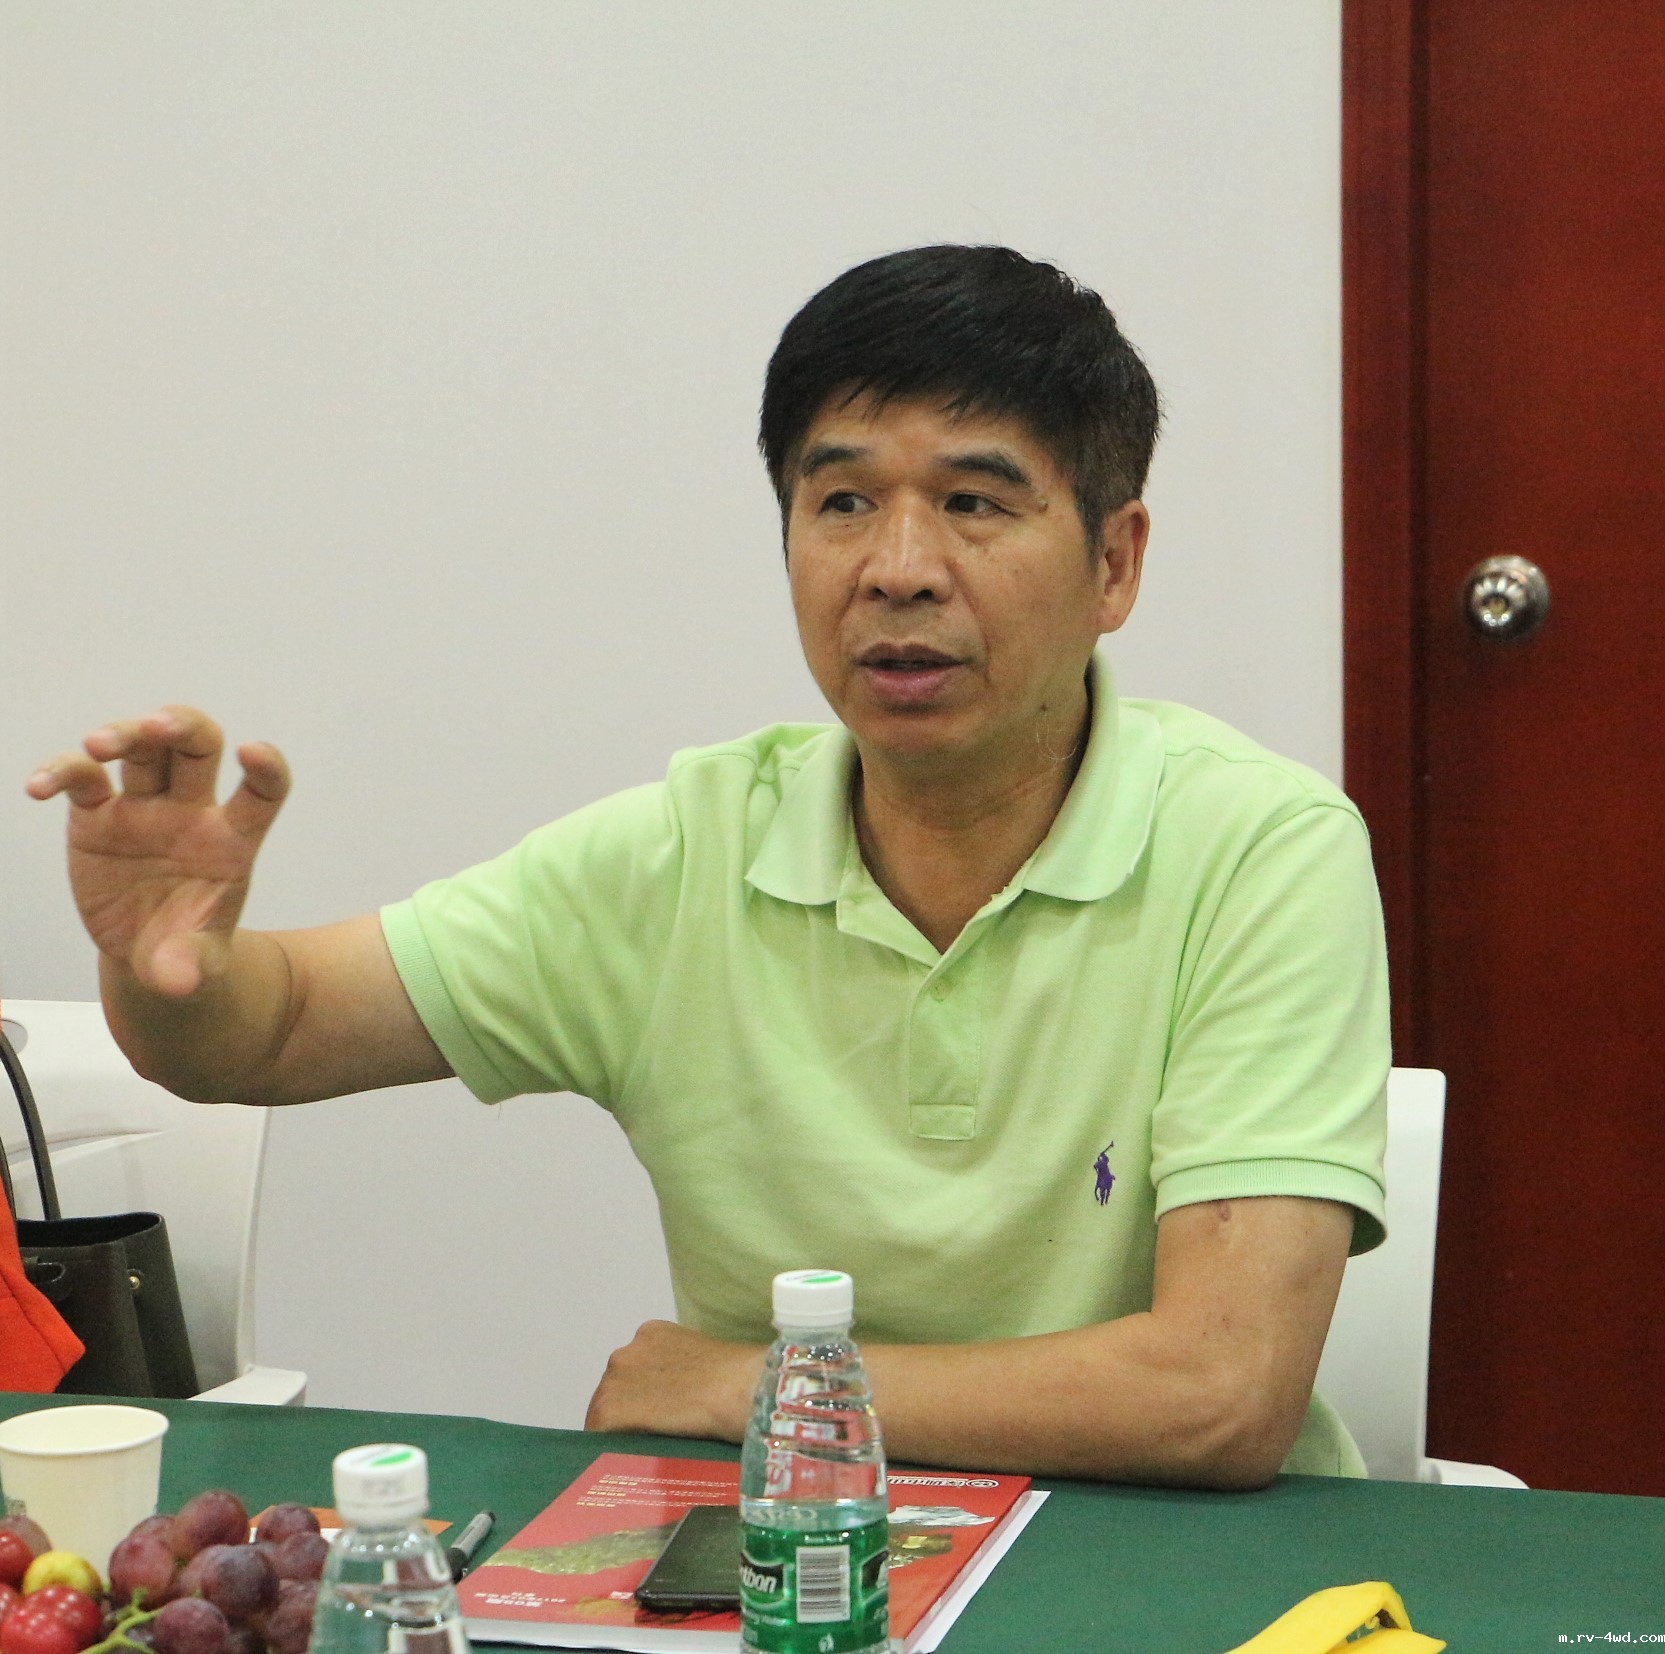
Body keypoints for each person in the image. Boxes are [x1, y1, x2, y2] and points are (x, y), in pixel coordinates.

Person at [26, 245, 1387, 1487]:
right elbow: (266, 1033)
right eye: (841, 501)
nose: (898, 568)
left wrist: (752, 1386)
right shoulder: (689, 850)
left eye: (974, 502)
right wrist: (167, 962)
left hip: (1179, 1568)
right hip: (789, 1564)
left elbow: (1218, 1394)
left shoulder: (1258, 850)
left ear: (1114, 563)